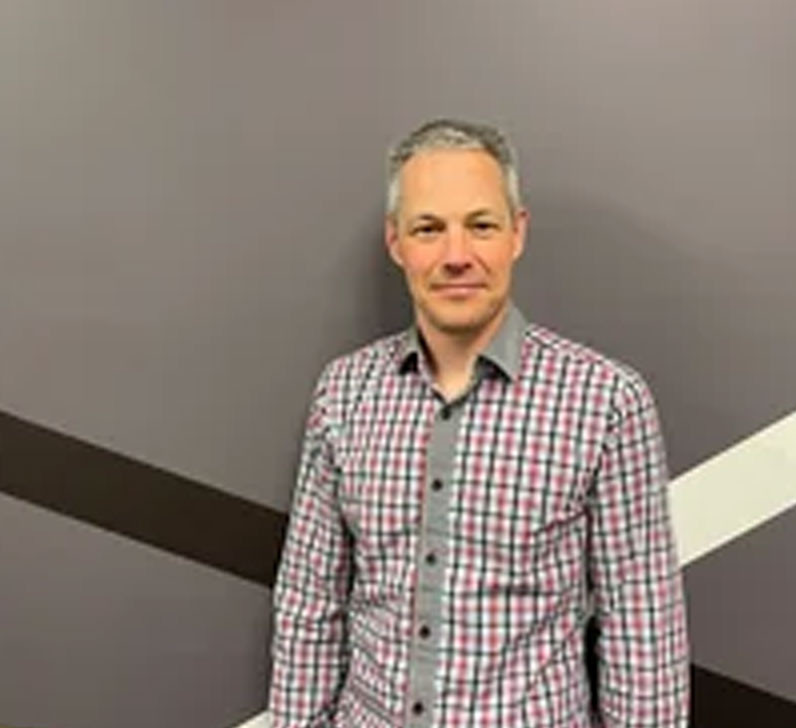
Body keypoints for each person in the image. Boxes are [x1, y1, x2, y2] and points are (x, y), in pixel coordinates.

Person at [269, 118, 689, 727]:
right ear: (396, 243)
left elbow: (642, 628)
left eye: (481, 225)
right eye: (428, 229)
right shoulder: (344, 394)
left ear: (518, 233)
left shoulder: (605, 402)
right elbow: (310, 605)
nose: (456, 256)